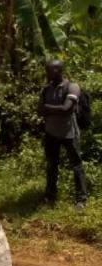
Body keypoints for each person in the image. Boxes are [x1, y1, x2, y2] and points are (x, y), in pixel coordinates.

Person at [37, 59, 89, 210]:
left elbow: (67, 108)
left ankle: (81, 200)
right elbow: (39, 110)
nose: (47, 73)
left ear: (59, 71)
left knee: (77, 166)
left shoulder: (72, 87)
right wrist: (52, 108)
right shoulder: (46, 89)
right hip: (51, 133)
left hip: (69, 133)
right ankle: (50, 197)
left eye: (49, 70)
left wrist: (47, 107)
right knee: (51, 165)